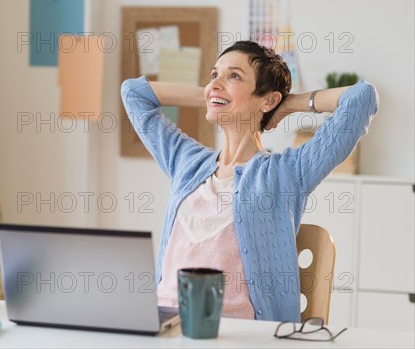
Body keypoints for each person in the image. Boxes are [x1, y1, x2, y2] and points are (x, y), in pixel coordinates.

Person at [120, 40, 378, 322]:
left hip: (238, 334)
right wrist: (214, 95)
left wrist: (288, 104)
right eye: (213, 75)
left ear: (269, 99)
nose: (216, 82)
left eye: (234, 76)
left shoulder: (286, 173)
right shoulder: (186, 161)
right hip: (165, 327)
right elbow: (133, 93)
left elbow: (361, 98)